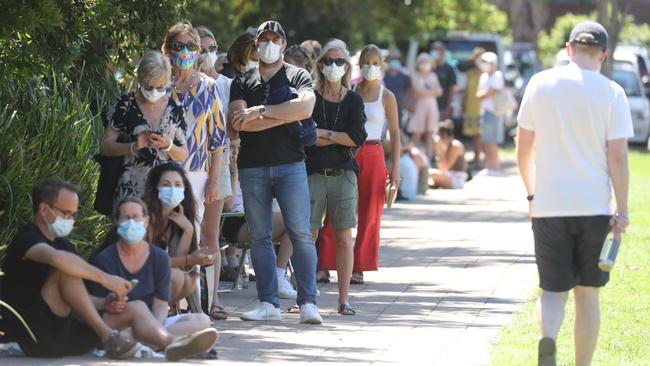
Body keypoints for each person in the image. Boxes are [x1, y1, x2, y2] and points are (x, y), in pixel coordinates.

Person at [516, 21, 632, 366]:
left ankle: (549, 339)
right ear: (603, 54)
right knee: (588, 294)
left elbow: (523, 149)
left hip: (549, 204)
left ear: (569, 50)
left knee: (552, 292)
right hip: (593, 206)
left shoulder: (539, 83)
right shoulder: (612, 92)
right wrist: (622, 209)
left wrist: (532, 194)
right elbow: (618, 156)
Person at [229, 20, 321, 323]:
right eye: (263, 39)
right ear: (256, 44)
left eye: (274, 39)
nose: (268, 43)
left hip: (291, 166)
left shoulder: (299, 74)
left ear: (283, 44)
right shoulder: (242, 81)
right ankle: (268, 302)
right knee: (260, 237)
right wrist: (284, 114)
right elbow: (238, 122)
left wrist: (262, 112)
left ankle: (308, 302)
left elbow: (306, 109)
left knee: (301, 233)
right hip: (252, 167)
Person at [0, 178, 140, 359]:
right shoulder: (27, 238)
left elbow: (72, 293)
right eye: (66, 213)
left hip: (59, 331)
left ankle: (171, 343)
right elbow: (57, 259)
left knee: (134, 309)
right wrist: (108, 280)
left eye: (74, 215)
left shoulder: (64, 244)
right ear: (44, 209)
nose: (71, 220)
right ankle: (109, 337)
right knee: (65, 268)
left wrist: (103, 303)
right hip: (31, 335)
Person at [89, 197, 219, 360]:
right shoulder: (105, 259)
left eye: (136, 217)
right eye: (126, 218)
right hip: (119, 323)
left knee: (202, 320)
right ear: (116, 223)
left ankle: (148, 345)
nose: (131, 223)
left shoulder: (159, 257)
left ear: (146, 221)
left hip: (153, 323)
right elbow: (101, 309)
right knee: (125, 332)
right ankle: (171, 345)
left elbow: (160, 304)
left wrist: (153, 329)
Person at [320, 44, 401, 285]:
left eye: (376, 63)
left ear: (382, 66)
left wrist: (394, 169)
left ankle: (360, 266)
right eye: (366, 62)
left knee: (370, 213)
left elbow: (395, 134)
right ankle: (324, 262)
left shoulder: (387, 96)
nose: (371, 67)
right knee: (336, 207)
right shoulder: (350, 91)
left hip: (374, 152)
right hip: (348, 151)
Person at [162, 21, 227, 313]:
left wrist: (214, 180)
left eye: (191, 46)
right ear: (168, 49)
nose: (185, 52)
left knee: (193, 237)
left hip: (197, 173)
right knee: (164, 233)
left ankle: (196, 303)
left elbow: (218, 141)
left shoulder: (209, 86)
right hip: (162, 172)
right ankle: (170, 302)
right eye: (179, 46)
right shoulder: (159, 85)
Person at [306, 39, 367, 315]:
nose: (333, 66)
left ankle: (344, 300)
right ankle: (305, 297)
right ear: (320, 65)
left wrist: (326, 135)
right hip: (313, 174)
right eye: (328, 61)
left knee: (344, 238)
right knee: (307, 235)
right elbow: (307, 137)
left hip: (344, 174)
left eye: (339, 61)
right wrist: (335, 138)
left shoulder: (353, 99)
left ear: (347, 66)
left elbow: (356, 139)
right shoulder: (311, 96)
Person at [100, 51, 188, 204]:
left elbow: (183, 154)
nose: (154, 92)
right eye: (149, 87)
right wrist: (134, 146)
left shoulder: (175, 108)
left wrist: (168, 145)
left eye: (160, 88)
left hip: (164, 195)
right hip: (129, 192)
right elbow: (105, 145)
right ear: (140, 80)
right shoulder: (126, 105)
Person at [195, 24, 234, 321]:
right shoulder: (178, 82)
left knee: (210, 233)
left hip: (216, 163)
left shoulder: (225, 84)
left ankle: (215, 297)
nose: (207, 54)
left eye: (212, 48)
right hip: (187, 164)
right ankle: (186, 298)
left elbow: (229, 133)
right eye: (202, 48)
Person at [142, 163, 214, 306]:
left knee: (188, 280)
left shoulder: (179, 218)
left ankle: (167, 314)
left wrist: (188, 230)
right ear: (155, 188)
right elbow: (146, 262)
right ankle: (155, 315)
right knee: (176, 277)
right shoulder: (143, 217)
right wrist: (189, 259)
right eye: (166, 184)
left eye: (177, 185)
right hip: (135, 276)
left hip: (156, 277)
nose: (172, 189)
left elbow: (178, 262)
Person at [408, 52, 442, 160]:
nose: (425, 64)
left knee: (430, 133)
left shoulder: (433, 75)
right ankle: (413, 157)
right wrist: (432, 92)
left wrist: (424, 93)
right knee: (417, 132)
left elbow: (439, 91)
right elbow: (416, 91)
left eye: (427, 62)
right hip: (419, 106)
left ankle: (429, 158)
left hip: (431, 106)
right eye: (422, 62)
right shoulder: (414, 75)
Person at [476, 51, 505, 176]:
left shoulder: (497, 75)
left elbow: (490, 92)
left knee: (492, 141)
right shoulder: (484, 76)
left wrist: (485, 93)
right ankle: (489, 166)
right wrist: (485, 93)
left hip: (494, 111)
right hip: (485, 110)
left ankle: (495, 167)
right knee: (486, 140)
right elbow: (479, 94)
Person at [462, 47, 485, 167]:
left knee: (480, 134)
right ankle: (476, 157)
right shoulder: (470, 74)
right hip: (471, 106)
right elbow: (467, 91)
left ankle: (480, 158)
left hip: (481, 107)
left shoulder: (486, 74)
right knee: (474, 134)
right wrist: (463, 104)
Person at [430, 119, 467, 189]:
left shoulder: (455, 146)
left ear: (445, 135)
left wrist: (440, 151)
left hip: (457, 180)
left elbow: (445, 167)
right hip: (447, 175)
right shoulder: (445, 146)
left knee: (433, 175)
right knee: (429, 172)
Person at [383, 49, 410, 129]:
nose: (395, 60)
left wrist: (405, 100)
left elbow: (408, 89)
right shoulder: (382, 76)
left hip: (399, 107)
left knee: (398, 128)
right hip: (384, 107)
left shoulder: (404, 76)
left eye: (397, 58)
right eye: (392, 58)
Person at [432, 41, 457, 120]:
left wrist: (448, 106)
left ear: (442, 51)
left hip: (442, 106)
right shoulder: (429, 67)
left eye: (436, 49)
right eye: (433, 49)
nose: (434, 51)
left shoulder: (449, 69)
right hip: (428, 104)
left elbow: (451, 89)